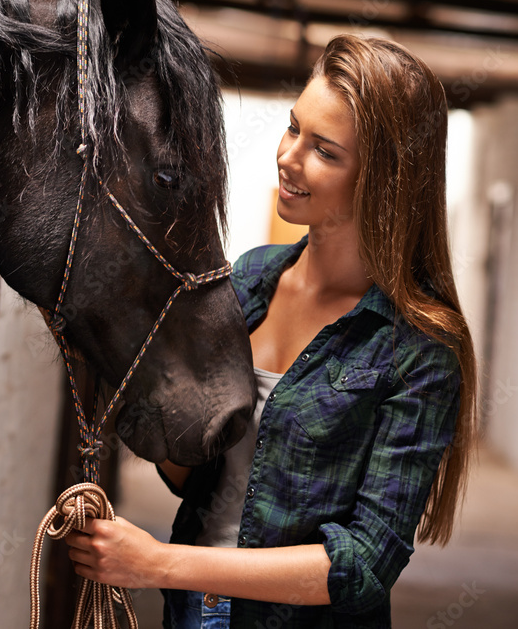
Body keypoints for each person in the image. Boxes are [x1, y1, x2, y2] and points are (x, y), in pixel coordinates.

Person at [64, 34, 478, 628]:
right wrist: (145, 397)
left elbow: (362, 565)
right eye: (293, 128)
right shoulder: (247, 281)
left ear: (385, 181)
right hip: (195, 616)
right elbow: (199, 479)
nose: (289, 156)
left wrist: (160, 564)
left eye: (325, 151)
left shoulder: (420, 349)